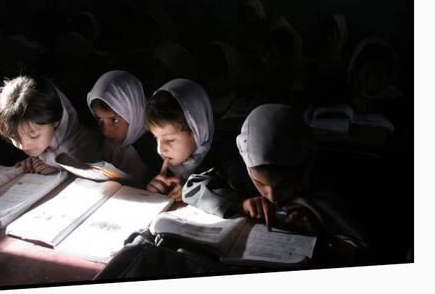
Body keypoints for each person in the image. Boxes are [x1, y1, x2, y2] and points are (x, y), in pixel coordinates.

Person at [183, 104, 368, 250]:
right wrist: (239, 203)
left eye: (285, 184)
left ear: (304, 166)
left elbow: (358, 246)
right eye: (260, 184)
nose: (271, 196)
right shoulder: (239, 172)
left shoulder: (326, 183)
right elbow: (193, 186)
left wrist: (317, 233)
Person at [0, 75, 103, 174]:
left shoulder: (87, 147)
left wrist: (58, 172)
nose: (23, 145)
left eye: (34, 135)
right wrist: (34, 162)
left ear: (56, 121)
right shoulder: (41, 141)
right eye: (14, 137)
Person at [144, 79, 221, 201]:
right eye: (155, 138)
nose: (160, 149)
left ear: (198, 130)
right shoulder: (154, 163)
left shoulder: (223, 164)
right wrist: (154, 191)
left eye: (169, 140)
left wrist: (191, 191)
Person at [87, 70, 153, 185]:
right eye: (99, 119)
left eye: (115, 120)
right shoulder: (110, 144)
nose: (105, 130)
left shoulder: (151, 151)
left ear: (134, 113)